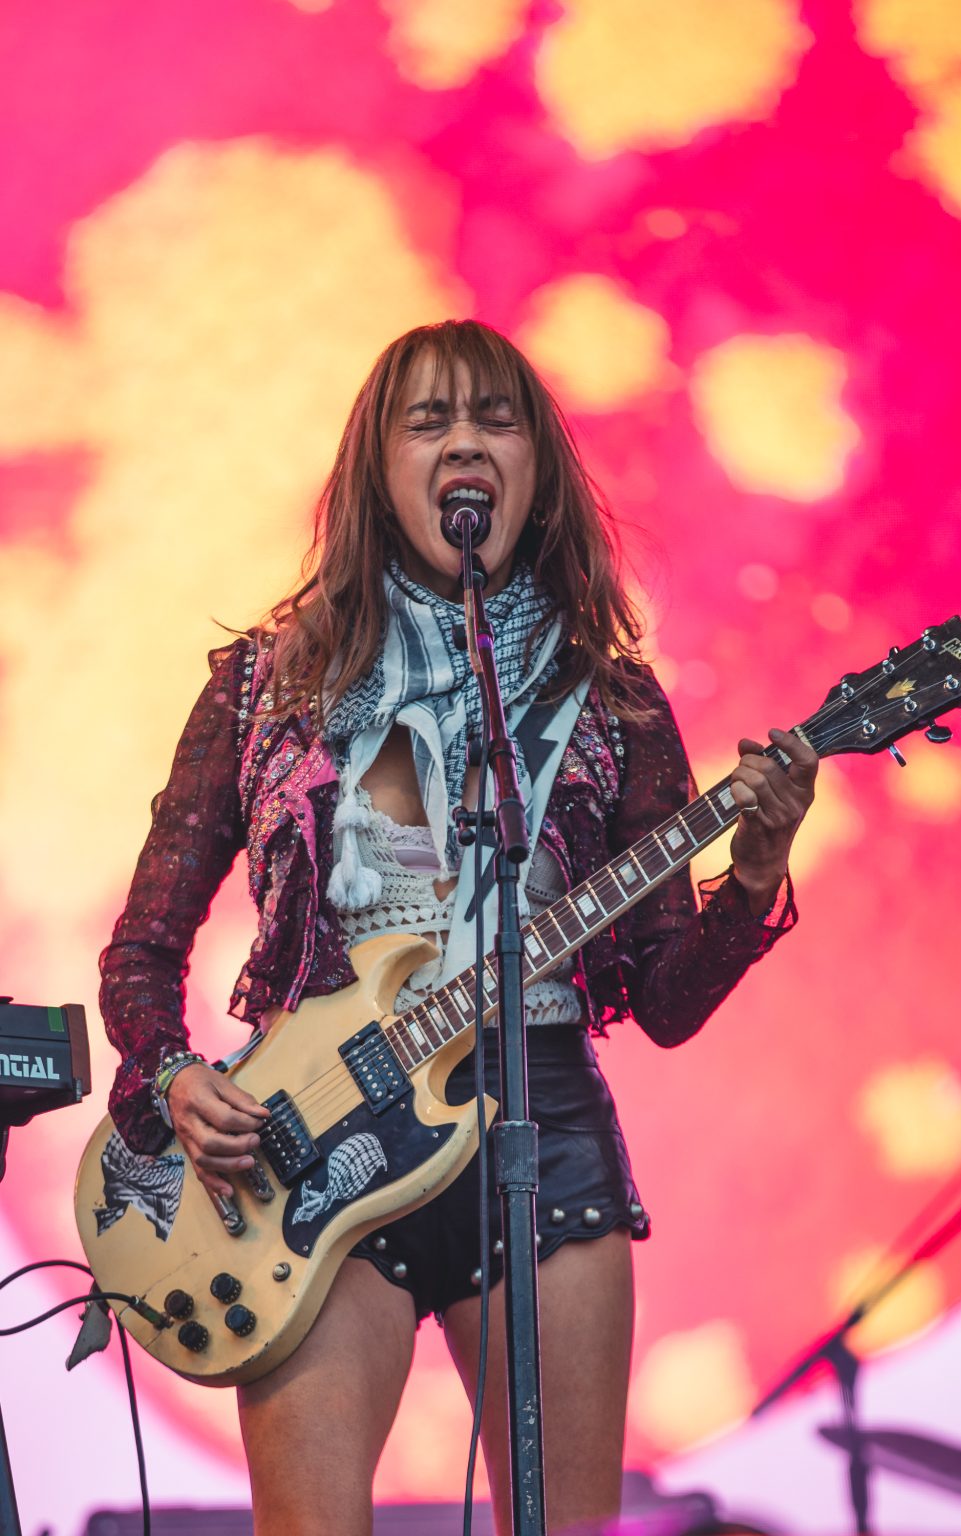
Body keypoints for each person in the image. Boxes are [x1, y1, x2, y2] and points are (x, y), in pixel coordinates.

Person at [100, 319, 817, 1536]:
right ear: (378, 464)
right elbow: (143, 951)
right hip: (312, 1139)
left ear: (533, 467)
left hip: (543, 1123)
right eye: (426, 422)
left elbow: (665, 1003)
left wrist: (752, 871)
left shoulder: (612, 699)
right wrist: (171, 1078)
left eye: (493, 420)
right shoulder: (260, 686)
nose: (463, 443)